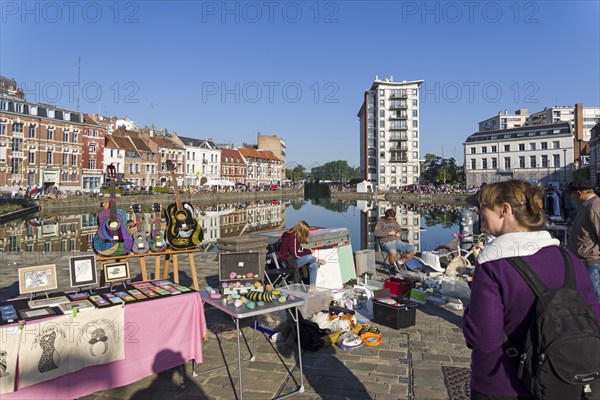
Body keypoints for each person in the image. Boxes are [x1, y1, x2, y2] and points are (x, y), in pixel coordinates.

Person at [463, 180, 600, 399]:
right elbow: (594, 318)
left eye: (483, 206)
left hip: (502, 384)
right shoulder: (569, 259)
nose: (479, 212)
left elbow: (483, 339)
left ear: (504, 210)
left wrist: (469, 312)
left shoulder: (493, 265)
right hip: (560, 381)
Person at [567, 178, 600, 300]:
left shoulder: (595, 207)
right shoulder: (588, 206)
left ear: (579, 194)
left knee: (595, 297)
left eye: (572, 196)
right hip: (586, 262)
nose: (572, 200)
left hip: (593, 263)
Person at [278, 221, 323, 287]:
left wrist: (307, 251)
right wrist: (309, 252)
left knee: (314, 265)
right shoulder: (292, 238)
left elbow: (298, 251)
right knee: (309, 257)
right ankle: (316, 260)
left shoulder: (294, 237)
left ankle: (312, 288)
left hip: (293, 261)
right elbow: (296, 255)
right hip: (287, 263)